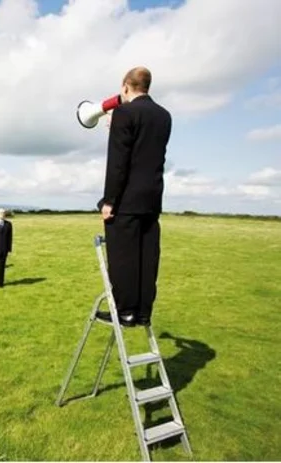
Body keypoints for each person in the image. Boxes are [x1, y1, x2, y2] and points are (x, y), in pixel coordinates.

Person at [96, 66, 172, 328]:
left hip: (127, 201)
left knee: (123, 257)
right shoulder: (164, 116)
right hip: (152, 200)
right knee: (147, 256)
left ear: (126, 86)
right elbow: (145, 150)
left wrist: (109, 201)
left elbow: (119, 162)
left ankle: (125, 311)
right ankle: (143, 312)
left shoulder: (124, 112)